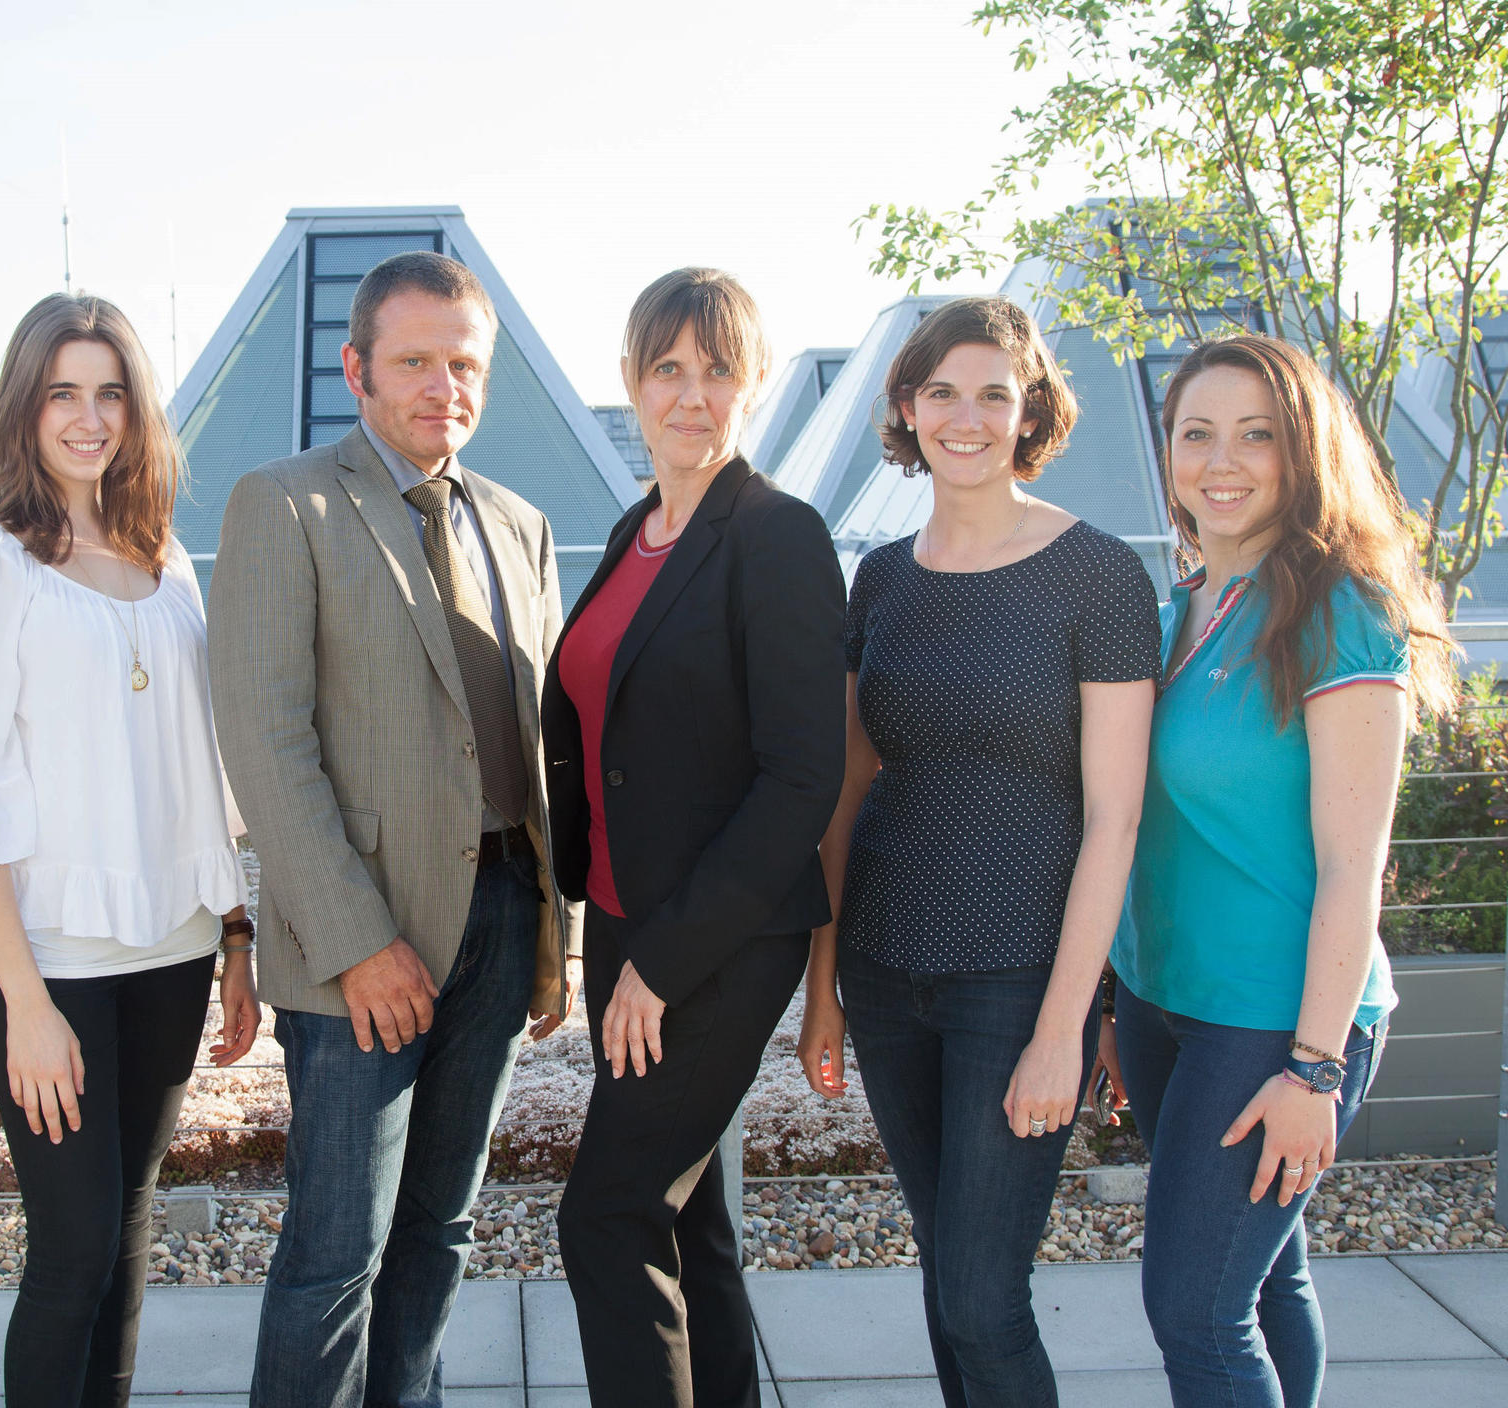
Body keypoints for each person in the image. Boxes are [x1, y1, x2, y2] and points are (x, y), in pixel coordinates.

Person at [209, 249, 579, 1408]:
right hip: (361, 942)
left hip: (503, 916)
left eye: (462, 364)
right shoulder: (286, 503)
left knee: (441, 1230)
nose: (441, 387)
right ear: (355, 366)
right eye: (414, 361)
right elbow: (265, 739)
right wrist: (359, 938)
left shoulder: (517, 523)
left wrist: (551, 934)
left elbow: (535, 741)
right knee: (333, 1255)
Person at [796, 295, 1160, 1408]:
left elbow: (1115, 819)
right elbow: (850, 785)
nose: (964, 416)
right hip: (886, 968)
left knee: (982, 1299)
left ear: (1027, 410)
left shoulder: (1095, 575)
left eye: (991, 393)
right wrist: (821, 991)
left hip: (1017, 980)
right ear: (904, 407)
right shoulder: (881, 579)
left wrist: (1065, 1026)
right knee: (943, 1269)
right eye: (939, 392)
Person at [0, 294, 258, 1408]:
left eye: (110, 391)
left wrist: (237, 932)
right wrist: (24, 1001)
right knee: (69, 1250)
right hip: (47, 961)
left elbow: (207, 768)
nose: (89, 415)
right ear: (25, 405)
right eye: (64, 391)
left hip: (174, 948)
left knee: (128, 1231)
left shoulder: (167, 559)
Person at [1107, 334, 1457, 1408]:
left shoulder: (1337, 612)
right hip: (1165, 1004)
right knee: (1260, 1283)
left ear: (1301, 452)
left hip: (1276, 1019)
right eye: (1195, 432)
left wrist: (1311, 1070)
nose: (1222, 459)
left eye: (1255, 434)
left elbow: (1355, 866)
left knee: (1194, 1314)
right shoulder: (1177, 609)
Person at [543, 267, 848, 1408]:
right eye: (666, 367)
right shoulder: (636, 533)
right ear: (629, 384)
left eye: (717, 368)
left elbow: (800, 778)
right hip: (622, 921)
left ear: (755, 387)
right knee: (686, 1217)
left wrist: (660, 967)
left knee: (607, 1217)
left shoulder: (777, 537)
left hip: (716, 941)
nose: (690, 392)